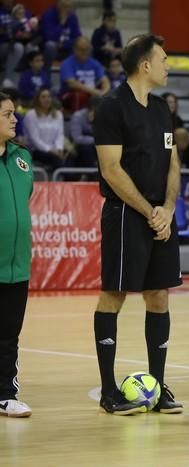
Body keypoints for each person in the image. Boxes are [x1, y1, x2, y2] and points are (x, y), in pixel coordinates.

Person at [92, 34, 183, 415]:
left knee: (159, 296)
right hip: (127, 215)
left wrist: (169, 207)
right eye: (163, 59)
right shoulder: (112, 107)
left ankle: (158, 385)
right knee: (114, 294)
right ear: (145, 65)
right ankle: (109, 391)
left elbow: (173, 162)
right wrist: (150, 212)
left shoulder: (162, 108)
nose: (168, 65)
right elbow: (111, 169)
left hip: (160, 215)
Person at [0, 91, 33, 418]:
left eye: (14, 113)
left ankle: (7, 394)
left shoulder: (22, 158)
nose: (14, 119)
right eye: (7, 114)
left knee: (9, 335)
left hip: (17, 265)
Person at [59, 36, 110, 111]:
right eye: (81, 49)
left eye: (86, 49)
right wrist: (95, 92)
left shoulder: (95, 63)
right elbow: (72, 84)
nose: (84, 52)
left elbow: (105, 80)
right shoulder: (67, 64)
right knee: (79, 95)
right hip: (73, 94)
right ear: (74, 49)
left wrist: (104, 92)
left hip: (93, 94)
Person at [23, 88, 65, 171]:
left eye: (49, 96)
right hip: (36, 150)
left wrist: (59, 148)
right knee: (57, 160)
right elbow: (34, 139)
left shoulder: (58, 114)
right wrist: (50, 150)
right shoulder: (31, 115)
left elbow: (60, 134)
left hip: (56, 150)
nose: (47, 99)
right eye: (43, 97)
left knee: (71, 156)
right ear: (37, 99)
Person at [40, 0, 81, 71]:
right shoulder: (48, 15)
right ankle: (46, 72)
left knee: (85, 46)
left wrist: (65, 44)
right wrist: (61, 23)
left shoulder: (72, 16)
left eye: (70, 7)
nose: (69, 10)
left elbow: (77, 37)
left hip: (67, 47)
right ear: (58, 5)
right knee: (50, 45)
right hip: (53, 48)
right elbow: (50, 37)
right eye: (65, 7)